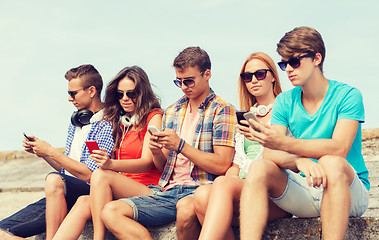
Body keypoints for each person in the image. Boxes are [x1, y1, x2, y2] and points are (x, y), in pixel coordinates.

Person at [239, 26, 370, 240]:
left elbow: (339, 148)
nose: (288, 69)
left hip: (347, 190)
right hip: (307, 188)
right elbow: (270, 154)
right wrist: (300, 161)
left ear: (317, 58)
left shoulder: (348, 95)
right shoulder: (284, 100)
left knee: (331, 162)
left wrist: (284, 143)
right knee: (260, 167)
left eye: (295, 61)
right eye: (284, 63)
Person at [98, 46, 237, 240]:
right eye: (178, 82)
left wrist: (181, 146)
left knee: (186, 210)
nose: (183, 87)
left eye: (188, 81)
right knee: (110, 211)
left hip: (200, 190)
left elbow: (222, 164)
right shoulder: (173, 110)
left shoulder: (222, 110)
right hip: (168, 191)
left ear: (207, 74)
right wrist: (156, 151)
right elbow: (164, 166)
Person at [0, 64, 114, 240]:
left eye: (73, 93)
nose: (69, 99)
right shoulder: (76, 122)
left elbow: (90, 175)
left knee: (54, 179)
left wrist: (52, 152)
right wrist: (44, 153)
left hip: (89, 192)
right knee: (2, 230)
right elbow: (66, 170)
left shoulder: (107, 123)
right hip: (63, 191)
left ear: (91, 90)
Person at [51, 66, 163, 240]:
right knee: (82, 202)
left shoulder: (153, 116)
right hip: (121, 190)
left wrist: (110, 164)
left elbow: (147, 161)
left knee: (101, 175)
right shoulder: (121, 124)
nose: (125, 99)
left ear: (142, 93)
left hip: (149, 189)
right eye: (120, 94)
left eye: (131, 94)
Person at [193, 52, 290, 240]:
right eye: (247, 77)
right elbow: (236, 164)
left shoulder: (286, 109)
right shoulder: (245, 116)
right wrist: (229, 179)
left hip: (273, 193)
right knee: (202, 195)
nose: (253, 80)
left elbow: (287, 155)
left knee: (219, 185)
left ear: (273, 77)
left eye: (260, 74)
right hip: (243, 191)